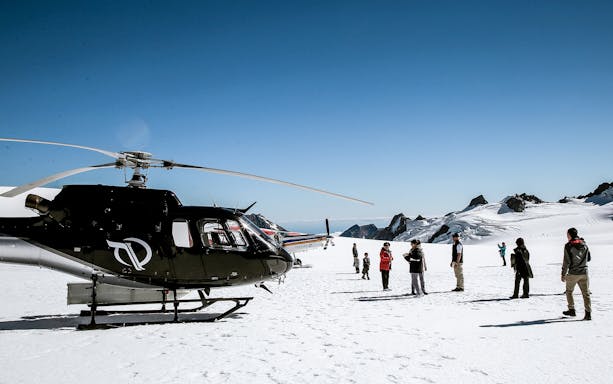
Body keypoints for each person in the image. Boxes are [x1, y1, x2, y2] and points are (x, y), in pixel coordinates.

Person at [561, 227, 592, 320]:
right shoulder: (584, 244)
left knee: (569, 291)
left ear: (570, 235)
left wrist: (563, 274)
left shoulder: (568, 246)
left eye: (567, 234)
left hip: (573, 273)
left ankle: (572, 310)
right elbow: (589, 258)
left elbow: (566, 262)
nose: (567, 236)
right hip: (584, 272)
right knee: (586, 293)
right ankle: (588, 314)